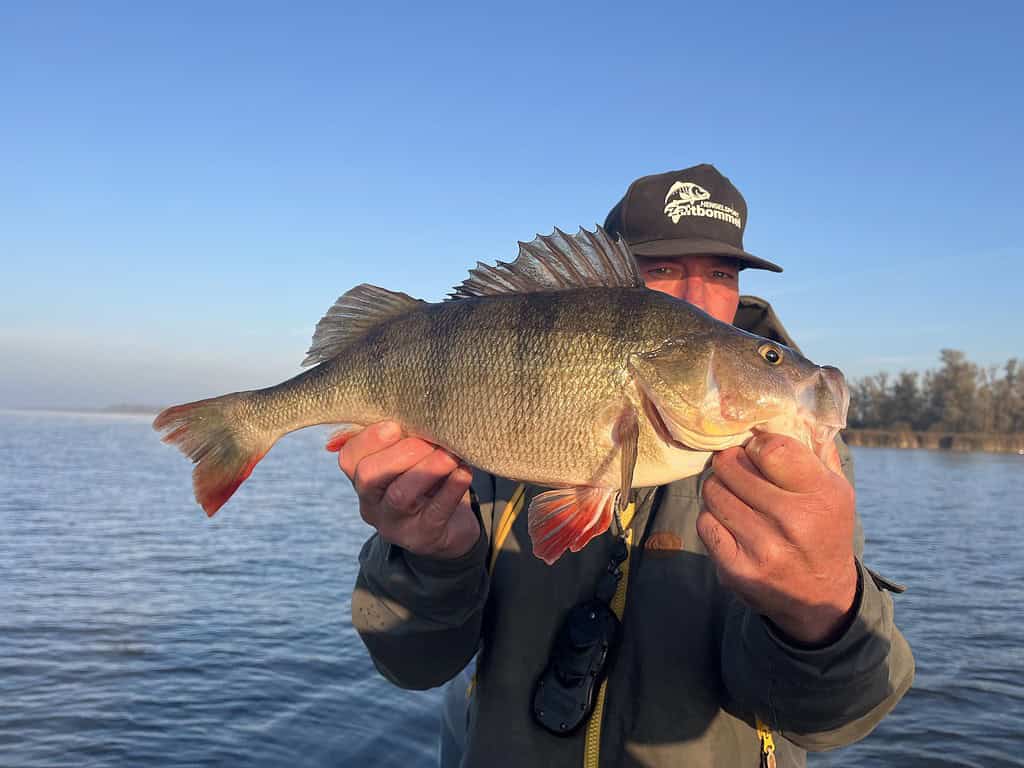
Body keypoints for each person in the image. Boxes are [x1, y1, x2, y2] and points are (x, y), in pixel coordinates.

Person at [341, 164, 915, 767]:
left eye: (722, 273)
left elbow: (832, 721)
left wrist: (820, 606)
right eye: (663, 269)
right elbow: (411, 663)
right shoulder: (482, 449)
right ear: (609, 283)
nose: (699, 298)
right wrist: (430, 560)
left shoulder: (798, 465)